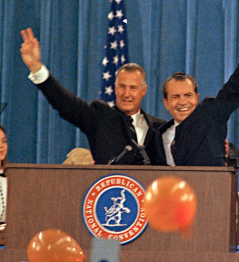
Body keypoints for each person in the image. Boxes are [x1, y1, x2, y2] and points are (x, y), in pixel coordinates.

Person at [154, 6, 239, 166]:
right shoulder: (158, 135)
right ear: (165, 102)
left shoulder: (210, 115)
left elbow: (235, 86)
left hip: (210, 190)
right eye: (175, 97)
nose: (182, 102)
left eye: (188, 95)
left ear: (197, 98)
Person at [19, 28, 164, 165]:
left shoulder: (159, 128)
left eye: (133, 88)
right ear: (115, 88)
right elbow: (66, 104)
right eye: (122, 87)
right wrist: (36, 68)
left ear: (143, 91)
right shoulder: (100, 117)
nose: (127, 94)